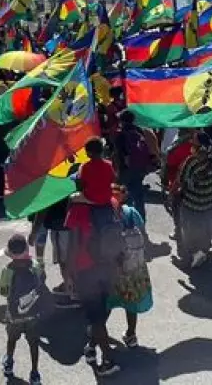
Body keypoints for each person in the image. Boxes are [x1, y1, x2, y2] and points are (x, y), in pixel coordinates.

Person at [68, 196, 122, 377]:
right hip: (109, 267)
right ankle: (92, 346)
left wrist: (70, 273)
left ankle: (108, 359)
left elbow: (73, 243)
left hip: (86, 270)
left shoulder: (77, 208)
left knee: (95, 316)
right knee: (102, 311)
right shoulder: (111, 202)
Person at [107, 185, 153, 349]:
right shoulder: (132, 212)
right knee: (131, 302)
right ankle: (131, 334)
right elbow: (143, 234)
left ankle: (96, 333)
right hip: (134, 266)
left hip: (116, 266)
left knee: (107, 300)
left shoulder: (108, 214)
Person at [0, 234, 44, 385]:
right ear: (26, 249)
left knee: (12, 339)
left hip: (14, 315)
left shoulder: (7, 270)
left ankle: (9, 363)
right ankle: (35, 373)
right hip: (33, 312)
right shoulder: (35, 265)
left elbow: (3, 291)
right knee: (33, 343)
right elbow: (42, 281)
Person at [179, 132, 212, 268]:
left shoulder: (192, 161)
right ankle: (205, 247)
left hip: (193, 200)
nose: (191, 141)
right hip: (210, 197)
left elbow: (183, 180)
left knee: (189, 226)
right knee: (206, 224)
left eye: (194, 140)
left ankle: (194, 252)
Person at [115, 110, 156, 220]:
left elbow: (120, 154)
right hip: (139, 168)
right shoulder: (139, 131)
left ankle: (129, 223)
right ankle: (141, 221)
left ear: (122, 121)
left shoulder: (120, 134)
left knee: (125, 197)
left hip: (126, 170)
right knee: (138, 197)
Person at [77, 137, 115, 206]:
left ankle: (70, 216)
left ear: (90, 153)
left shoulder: (85, 167)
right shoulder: (109, 164)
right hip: (107, 197)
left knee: (71, 198)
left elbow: (81, 185)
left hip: (91, 198)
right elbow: (112, 179)